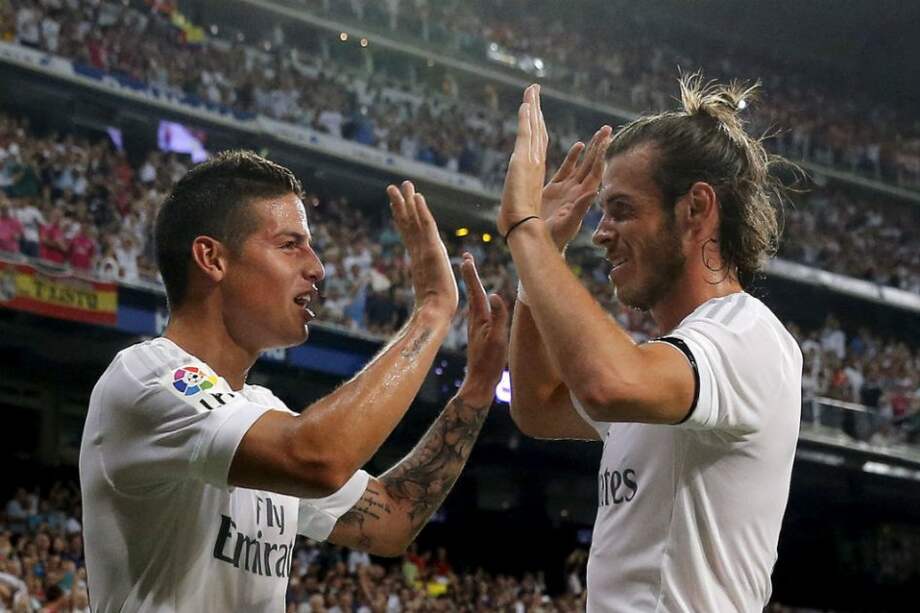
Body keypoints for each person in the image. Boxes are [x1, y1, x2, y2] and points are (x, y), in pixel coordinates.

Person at [79, 150, 509, 612]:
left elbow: (394, 519)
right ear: (212, 258)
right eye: (290, 244)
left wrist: (476, 390)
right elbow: (316, 458)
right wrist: (431, 312)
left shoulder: (263, 413)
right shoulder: (149, 378)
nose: (317, 267)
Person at [500, 80, 802, 611]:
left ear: (695, 208)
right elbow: (536, 406)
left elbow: (606, 383)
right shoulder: (663, 364)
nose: (601, 231)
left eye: (621, 209)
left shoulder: (747, 335)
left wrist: (525, 231)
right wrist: (540, 253)